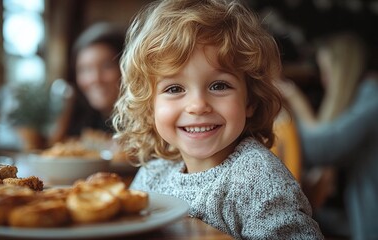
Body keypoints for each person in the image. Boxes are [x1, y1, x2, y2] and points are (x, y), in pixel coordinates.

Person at [112, 0, 324, 238]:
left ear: (250, 101)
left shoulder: (256, 177)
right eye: (174, 89)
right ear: (150, 108)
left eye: (219, 85)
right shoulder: (152, 175)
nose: (197, 105)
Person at [279, 32, 378, 240]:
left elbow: (320, 149)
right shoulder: (365, 99)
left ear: (342, 71)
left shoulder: (373, 99)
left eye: (326, 72)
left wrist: (294, 98)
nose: (324, 81)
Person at [50, 22, 125, 144]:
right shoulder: (80, 117)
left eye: (107, 66)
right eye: (85, 69)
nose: (95, 78)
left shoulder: (146, 125)